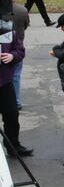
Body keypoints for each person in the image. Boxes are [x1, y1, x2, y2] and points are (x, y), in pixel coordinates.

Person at [0, 25, 30, 156]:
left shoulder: (8, 32)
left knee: (12, 114)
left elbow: (20, 51)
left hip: (4, 82)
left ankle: (13, 146)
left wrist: (12, 56)